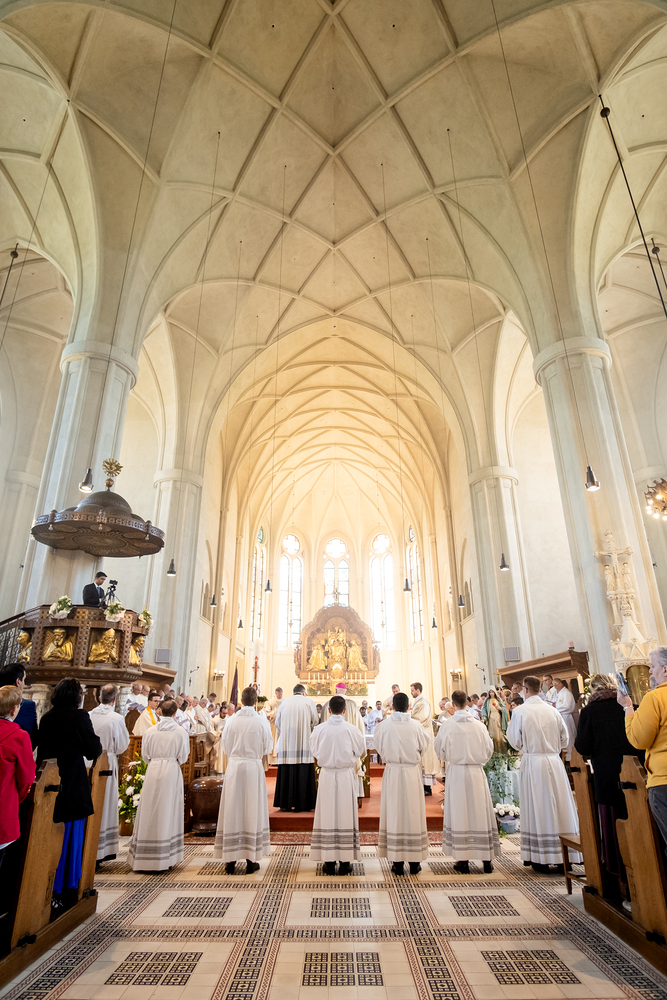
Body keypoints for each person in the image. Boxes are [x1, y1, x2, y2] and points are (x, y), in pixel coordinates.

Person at [37, 677, 102, 912]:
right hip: (72, 784)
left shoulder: (47, 717)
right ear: (77, 697)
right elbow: (93, 749)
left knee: (48, 836)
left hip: (48, 783)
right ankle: (65, 889)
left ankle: (46, 887)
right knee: (70, 837)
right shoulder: (79, 716)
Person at [506, 675, 580, 873]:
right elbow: (565, 739)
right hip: (554, 762)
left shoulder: (520, 711)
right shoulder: (552, 710)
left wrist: (527, 747)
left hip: (533, 762)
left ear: (525, 690)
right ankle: (565, 855)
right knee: (559, 805)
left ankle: (541, 858)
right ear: (540, 689)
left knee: (538, 805)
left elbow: (514, 740)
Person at [575, 673, 635, 882]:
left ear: (593, 689)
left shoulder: (590, 711)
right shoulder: (628, 706)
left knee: (613, 825)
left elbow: (583, 746)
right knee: (638, 823)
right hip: (636, 776)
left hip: (607, 777)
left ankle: (618, 874)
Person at [434, 689, 500, 874]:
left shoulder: (448, 726)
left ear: (453, 704)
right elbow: (489, 750)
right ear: (467, 701)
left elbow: (439, 750)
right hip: (476, 772)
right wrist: (478, 760)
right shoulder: (479, 725)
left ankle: (462, 860)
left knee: (460, 812)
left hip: (457, 773)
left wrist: (452, 758)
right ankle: (487, 860)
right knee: (480, 812)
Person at [214, 686, 273, 874]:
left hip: (234, 767)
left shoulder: (231, 721)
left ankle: (230, 860)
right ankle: (251, 859)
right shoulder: (261, 721)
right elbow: (267, 748)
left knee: (233, 808)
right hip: (253, 767)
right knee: (252, 809)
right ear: (256, 702)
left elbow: (225, 747)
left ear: (241, 701)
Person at [128, 699, 189, 872]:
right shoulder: (180, 732)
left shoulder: (150, 732)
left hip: (153, 770)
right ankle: (166, 857)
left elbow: (145, 756)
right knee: (169, 809)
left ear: (160, 711)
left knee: (150, 808)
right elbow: (183, 757)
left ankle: (144, 857)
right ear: (175, 713)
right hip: (171, 771)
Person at [310, 694, 366, 875]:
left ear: (328, 710)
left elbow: (314, 751)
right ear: (344, 710)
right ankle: (345, 862)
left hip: (327, 775)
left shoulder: (319, 730)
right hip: (345, 775)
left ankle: (328, 861)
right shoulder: (352, 730)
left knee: (327, 814)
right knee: (345, 814)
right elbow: (360, 751)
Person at [375, 691, 429, 875]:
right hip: (411, 772)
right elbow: (424, 747)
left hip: (392, 772)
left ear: (392, 707)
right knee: (412, 812)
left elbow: (379, 748)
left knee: (394, 812)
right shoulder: (416, 726)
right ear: (409, 707)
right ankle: (414, 862)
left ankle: (397, 862)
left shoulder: (384, 726)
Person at [619, 647, 667, 852]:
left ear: (665, 669)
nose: (650, 671)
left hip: (664, 779)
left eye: (653, 666)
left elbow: (639, 740)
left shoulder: (655, 698)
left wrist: (627, 707)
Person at [89, 684, 130, 863]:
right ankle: (102, 849)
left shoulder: (88, 715)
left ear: (99, 698)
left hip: (88, 762)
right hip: (107, 761)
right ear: (114, 700)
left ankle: (88, 846)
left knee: (91, 801)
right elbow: (121, 746)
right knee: (105, 803)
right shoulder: (116, 718)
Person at [0, 685, 36, 870]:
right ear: (14, 710)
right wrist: (17, 799)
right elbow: (26, 778)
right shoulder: (19, 736)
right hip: (3, 810)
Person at [273, 684, 318, 811]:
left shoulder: (284, 703)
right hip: (304, 744)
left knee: (287, 771)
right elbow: (315, 721)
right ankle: (304, 804)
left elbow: (278, 723)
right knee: (303, 770)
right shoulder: (309, 702)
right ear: (303, 693)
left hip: (287, 745)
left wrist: (287, 732)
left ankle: (285, 804)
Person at [410, 682, 440, 795]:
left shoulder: (422, 703)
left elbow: (420, 718)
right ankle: (422, 786)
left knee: (424, 761)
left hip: (424, 735)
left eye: (412, 690)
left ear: (418, 690)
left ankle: (427, 788)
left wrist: (408, 716)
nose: (411, 692)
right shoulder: (418, 702)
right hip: (420, 734)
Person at [0, 663, 37, 748]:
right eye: (24, 680)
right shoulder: (26, 706)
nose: (24, 684)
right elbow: (32, 740)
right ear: (18, 682)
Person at [554, 677, 577, 758]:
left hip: (566, 717)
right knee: (564, 736)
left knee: (569, 735)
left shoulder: (566, 693)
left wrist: (556, 708)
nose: (555, 687)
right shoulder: (560, 693)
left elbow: (567, 706)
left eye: (556, 685)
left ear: (560, 683)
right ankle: (566, 756)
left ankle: (571, 756)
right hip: (562, 716)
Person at [481, 687, 509, 752]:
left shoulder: (498, 700)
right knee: (493, 735)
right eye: (490, 692)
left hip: (498, 718)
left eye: (492, 692)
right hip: (491, 718)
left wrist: (500, 708)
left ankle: (501, 751)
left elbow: (505, 709)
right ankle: (494, 751)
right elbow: (484, 710)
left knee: (499, 735)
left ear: (494, 692)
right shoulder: (487, 701)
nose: (491, 693)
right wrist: (484, 718)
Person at [266, 687, 283, 762]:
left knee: (280, 739)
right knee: (273, 739)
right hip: (273, 724)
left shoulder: (284, 701)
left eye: (281, 694)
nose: (280, 696)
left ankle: (280, 758)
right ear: (276, 694)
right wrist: (274, 714)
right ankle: (272, 760)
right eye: (279, 694)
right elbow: (267, 712)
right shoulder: (271, 701)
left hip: (282, 725)